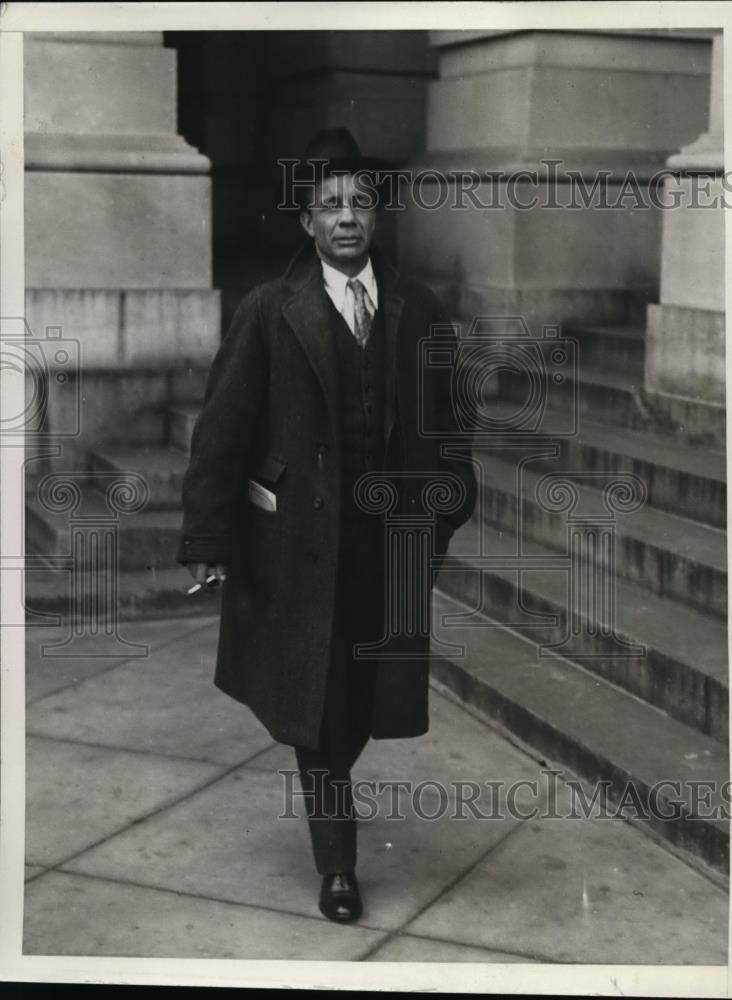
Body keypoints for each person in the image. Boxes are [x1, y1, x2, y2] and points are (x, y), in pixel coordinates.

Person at [177, 127, 477, 923]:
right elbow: (223, 431)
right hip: (301, 550)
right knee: (318, 702)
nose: (347, 217)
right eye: (330, 205)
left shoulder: (418, 311)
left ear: (376, 215)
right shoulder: (273, 311)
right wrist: (209, 537)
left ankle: (332, 785)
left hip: (387, 548)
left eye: (359, 202)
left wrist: (440, 521)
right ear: (308, 224)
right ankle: (337, 864)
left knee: (361, 691)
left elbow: (450, 431)